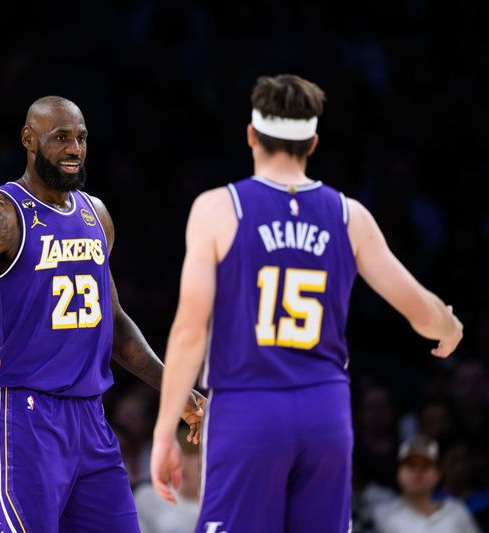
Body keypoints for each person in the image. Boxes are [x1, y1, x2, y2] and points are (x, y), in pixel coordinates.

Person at [150, 74, 464, 532]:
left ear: (251, 135)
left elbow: (189, 331)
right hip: (325, 411)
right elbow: (422, 312)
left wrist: (163, 433)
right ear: (313, 143)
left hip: (248, 406)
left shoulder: (218, 208)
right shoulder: (348, 214)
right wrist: (449, 326)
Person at [0, 95, 205, 532]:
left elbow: (113, 323)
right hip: (20, 416)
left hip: (90, 419)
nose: (74, 149)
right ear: (28, 139)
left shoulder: (96, 214)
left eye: (80, 138)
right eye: (61, 138)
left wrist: (174, 390)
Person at [372, 435, 480, 533]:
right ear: (398, 472)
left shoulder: (457, 511)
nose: (418, 472)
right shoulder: (380, 514)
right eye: (411, 466)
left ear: (438, 473)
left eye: (426, 466)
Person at [135, 425, 201, 533]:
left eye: (191, 454)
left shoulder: (221, 504)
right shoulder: (147, 497)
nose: (182, 462)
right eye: (177, 453)